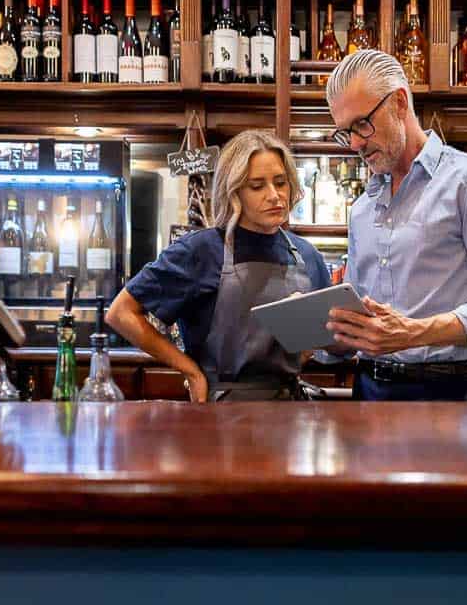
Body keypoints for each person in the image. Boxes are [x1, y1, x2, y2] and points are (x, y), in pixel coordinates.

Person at [322, 50, 467, 401]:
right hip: (368, 392)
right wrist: (330, 333)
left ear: (400, 103)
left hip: (448, 393)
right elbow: (365, 322)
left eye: (361, 124)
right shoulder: (362, 208)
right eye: (346, 133)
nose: (355, 143)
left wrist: (413, 332)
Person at [107, 129, 331, 402]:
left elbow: (321, 341)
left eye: (281, 182)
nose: (274, 195)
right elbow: (121, 313)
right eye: (257, 186)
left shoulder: (307, 255)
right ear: (233, 190)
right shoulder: (201, 250)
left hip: (291, 411)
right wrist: (191, 372)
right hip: (221, 412)